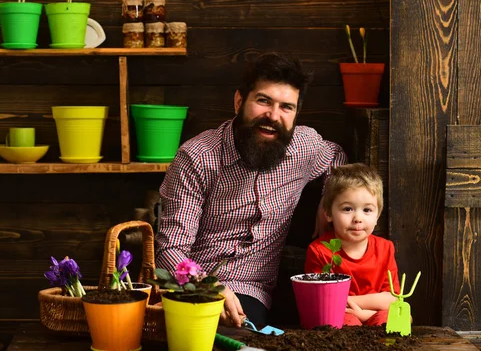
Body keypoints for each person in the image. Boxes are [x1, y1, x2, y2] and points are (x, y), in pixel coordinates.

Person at [155, 52, 347, 328]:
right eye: (263, 101)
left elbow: (336, 156)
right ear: (238, 102)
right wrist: (207, 286)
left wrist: (329, 199)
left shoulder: (305, 146)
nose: (273, 116)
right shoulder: (197, 157)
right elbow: (170, 249)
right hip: (193, 288)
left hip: (252, 291)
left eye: (286, 107)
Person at [304, 163, 400, 326]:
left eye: (367, 210)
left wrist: (360, 311)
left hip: (373, 314)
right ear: (328, 213)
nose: (358, 218)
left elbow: (392, 299)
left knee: (394, 319)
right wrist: (361, 312)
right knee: (342, 321)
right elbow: (323, 303)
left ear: (378, 215)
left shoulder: (385, 248)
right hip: (340, 315)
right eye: (348, 209)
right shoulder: (319, 251)